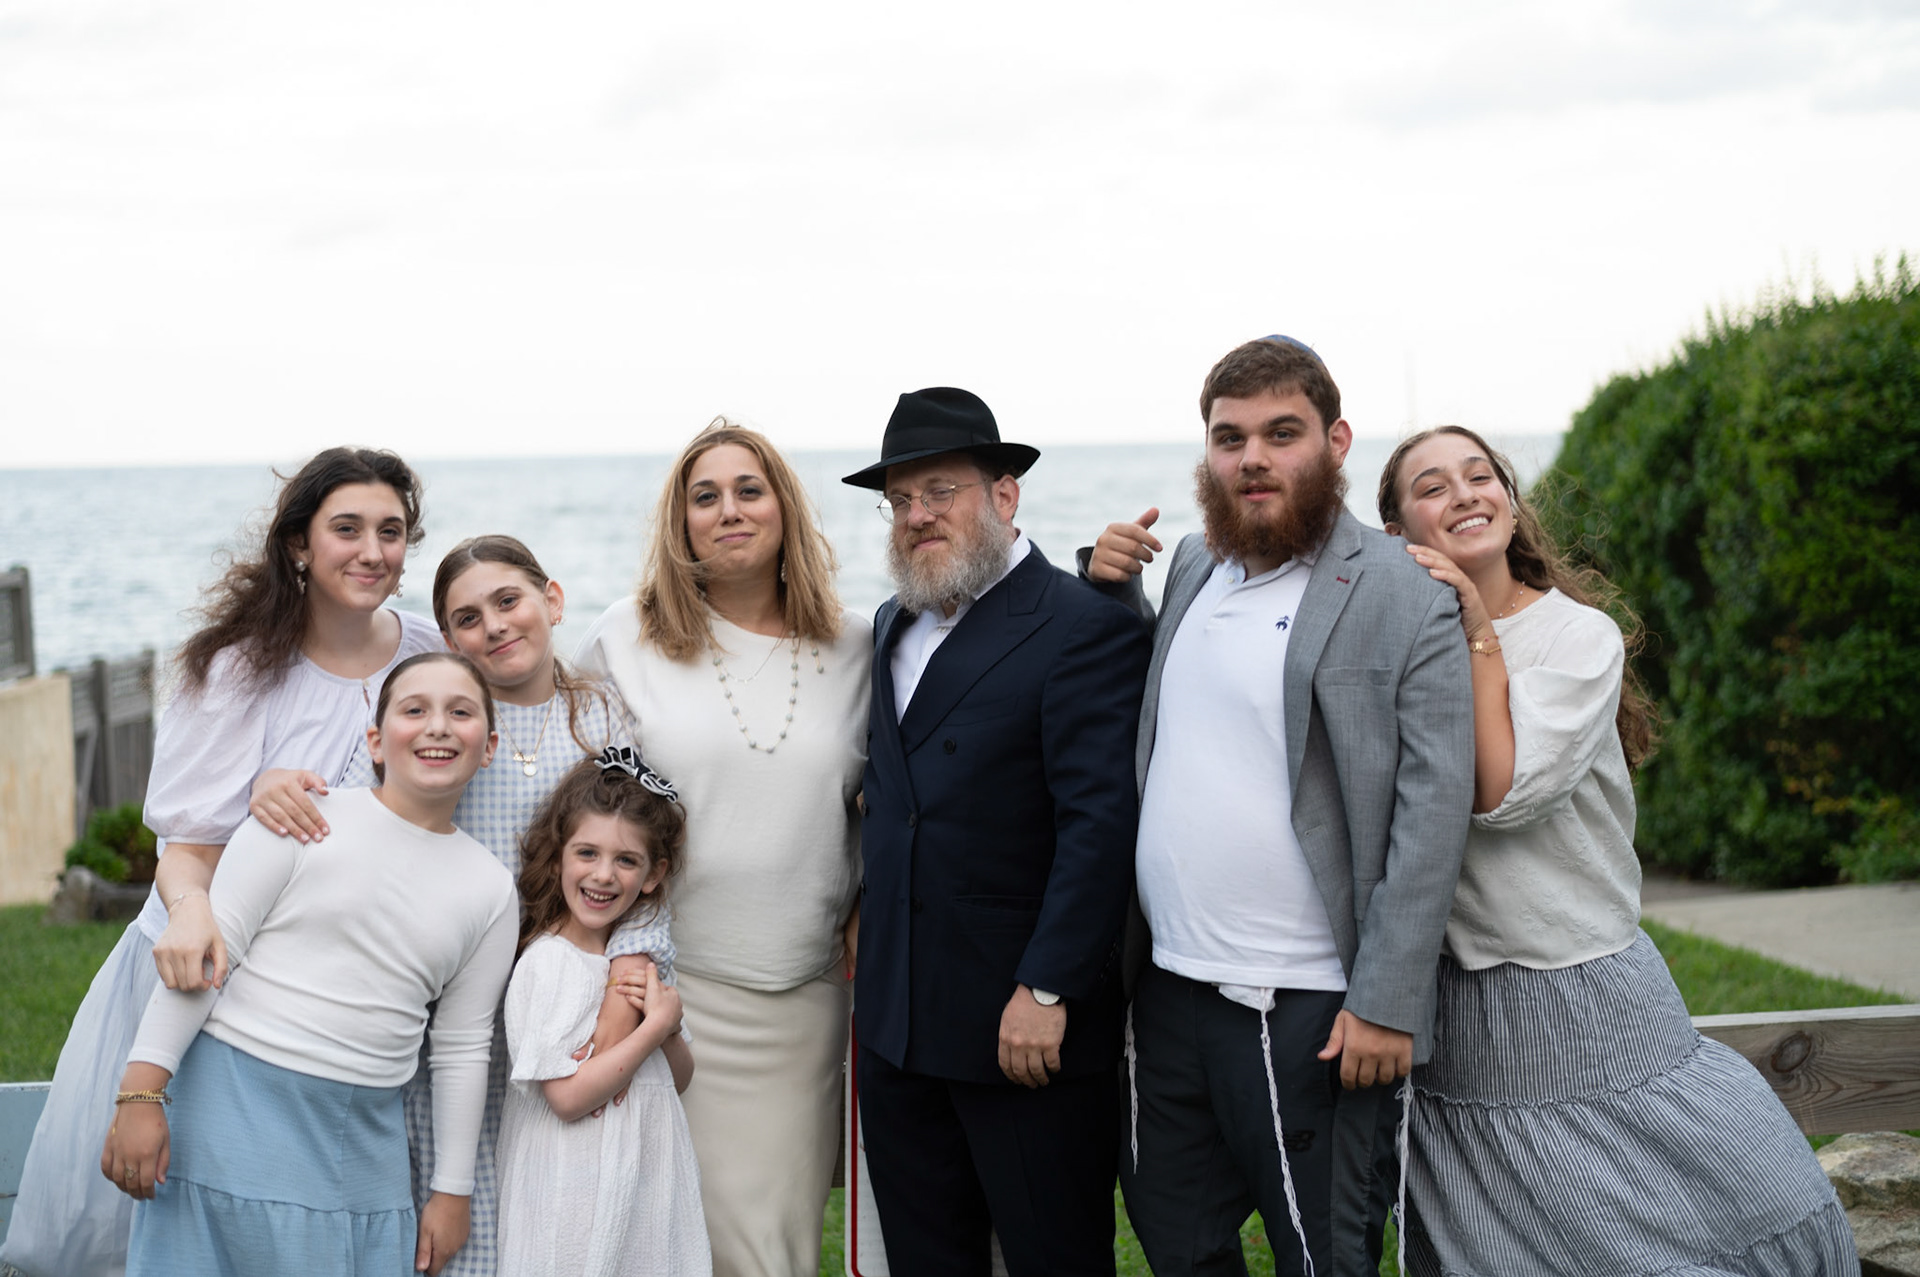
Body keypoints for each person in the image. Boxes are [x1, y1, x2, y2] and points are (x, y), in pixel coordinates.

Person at [1377, 425, 1859, 1276]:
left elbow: (1504, 794)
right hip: (1457, 1011)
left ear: (1509, 500)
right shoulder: (1395, 649)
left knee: (1671, 1227)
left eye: (1480, 476)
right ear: (1396, 533)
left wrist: (1479, 632)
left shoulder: (1577, 637)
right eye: (1433, 486)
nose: (1464, 495)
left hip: (1585, 989)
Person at [1084, 337, 1474, 1277]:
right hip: (1167, 991)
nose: (1252, 458)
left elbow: (1435, 805)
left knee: (1325, 1257)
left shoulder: (1403, 586)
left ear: (1336, 442)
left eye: (1281, 433)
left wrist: (1385, 1002)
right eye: (1230, 438)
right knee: (1179, 1248)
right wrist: (1113, 591)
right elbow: (1185, 705)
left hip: (1312, 1007)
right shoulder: (1190, 565)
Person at [2, 447, 442, 1277]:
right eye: (347, 528)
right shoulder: (238, 666)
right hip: (215, 970)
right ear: (299, 544)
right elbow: (188, 849)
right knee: (190, 1220)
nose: (372, 550)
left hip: (344, 981)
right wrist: (192, 913)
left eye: (390, 531)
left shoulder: (426, 650)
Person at [251, 534, 675, 1277]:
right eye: (468, 619)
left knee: (555, 1219)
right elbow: (354, 819)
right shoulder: (446, 727)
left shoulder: (603, 719)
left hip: (567, 1019)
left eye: (509, 601)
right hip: (454, 1020)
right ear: (449, 640)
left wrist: (626, 973)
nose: (495, 626)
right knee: (456, 1222)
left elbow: (642, 855)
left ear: (552, 600)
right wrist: (273, 785)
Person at [841, 387, 1151, 1277]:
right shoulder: (890, 623)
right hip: (898, 1030)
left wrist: (1046, 988)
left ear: (1005, 494)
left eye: (940, 490)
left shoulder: (1081, 624)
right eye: (901, 500)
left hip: (1024, 1031)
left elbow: (1100, 823)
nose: (917, 515)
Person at [102, 651, 519, 1277]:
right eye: (414, 710)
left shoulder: (490, 890)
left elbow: (462, 1045)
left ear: (488, 747)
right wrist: (140, 1094)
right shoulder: (301, 820)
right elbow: (210, 961)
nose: (437, 726)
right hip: (228, 1112)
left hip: (363, 1143)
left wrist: (451, 1191)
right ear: (375, 740)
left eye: (460, 713)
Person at [578, 419, 869, 1277]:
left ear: (785, 507)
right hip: (668, 990)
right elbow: (578, 807)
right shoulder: (624, 636)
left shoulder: (856, 643)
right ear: (680, 522)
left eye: (749, 489)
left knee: (772, 1247)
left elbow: (893, 802)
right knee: (666, 1243)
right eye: (704, 496)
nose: (729, 510)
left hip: (804, 993)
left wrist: (868, 902)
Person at [494, 749, 708, 1277]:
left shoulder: (638, 964)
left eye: (627, 860)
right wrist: (653, 1029)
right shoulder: (549, 963)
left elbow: (677, 1080)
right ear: (558, 857)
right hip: (572, 1189)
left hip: (643, 1186)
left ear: (654, 874)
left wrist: (669, 1032)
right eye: (587, 853)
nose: (604, 875)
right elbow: (566, 1099)